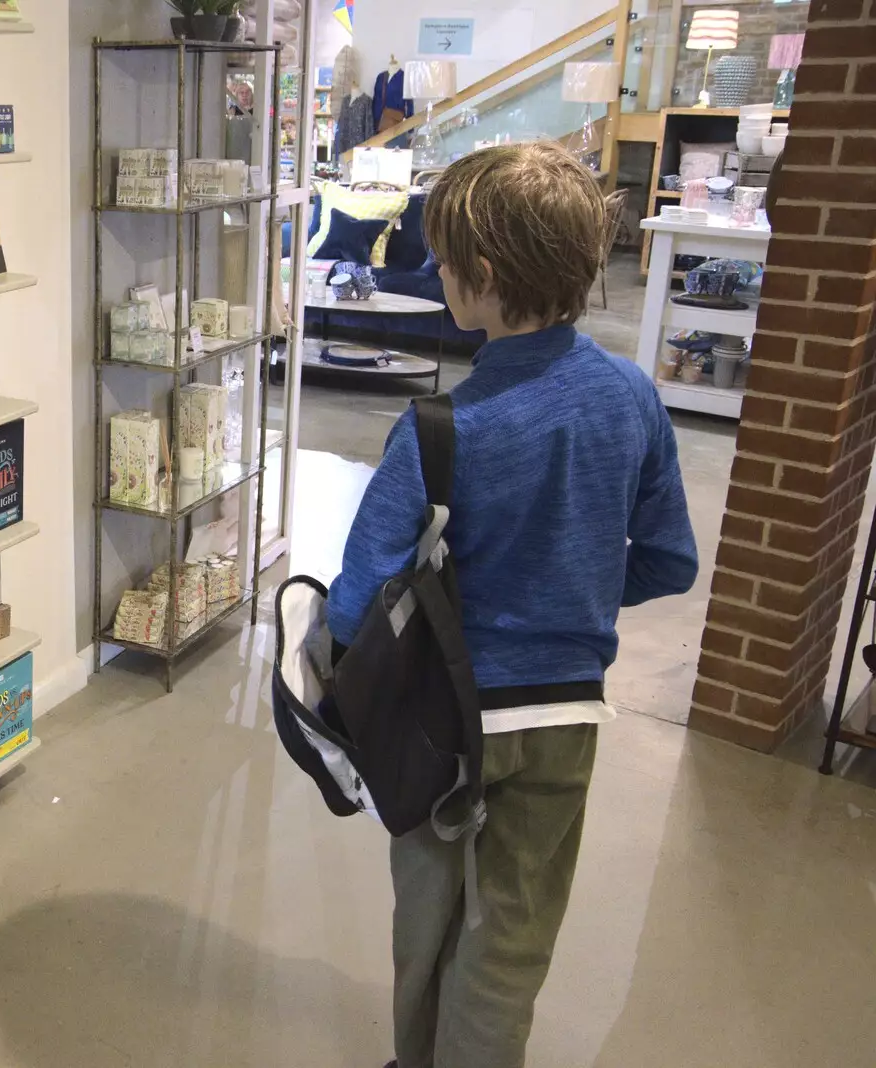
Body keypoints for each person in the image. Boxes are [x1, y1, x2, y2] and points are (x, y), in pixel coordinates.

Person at [324, 142, 698, 1068]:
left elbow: (358, 594)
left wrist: (337, 689)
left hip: (443, 719)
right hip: (566, 713)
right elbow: (671, 562)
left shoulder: (440, 426)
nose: (439, 273)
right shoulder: (633, 399)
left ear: (480, 279)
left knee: (429, 909)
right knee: (515, 933)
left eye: (443, 261)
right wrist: (572, 587)